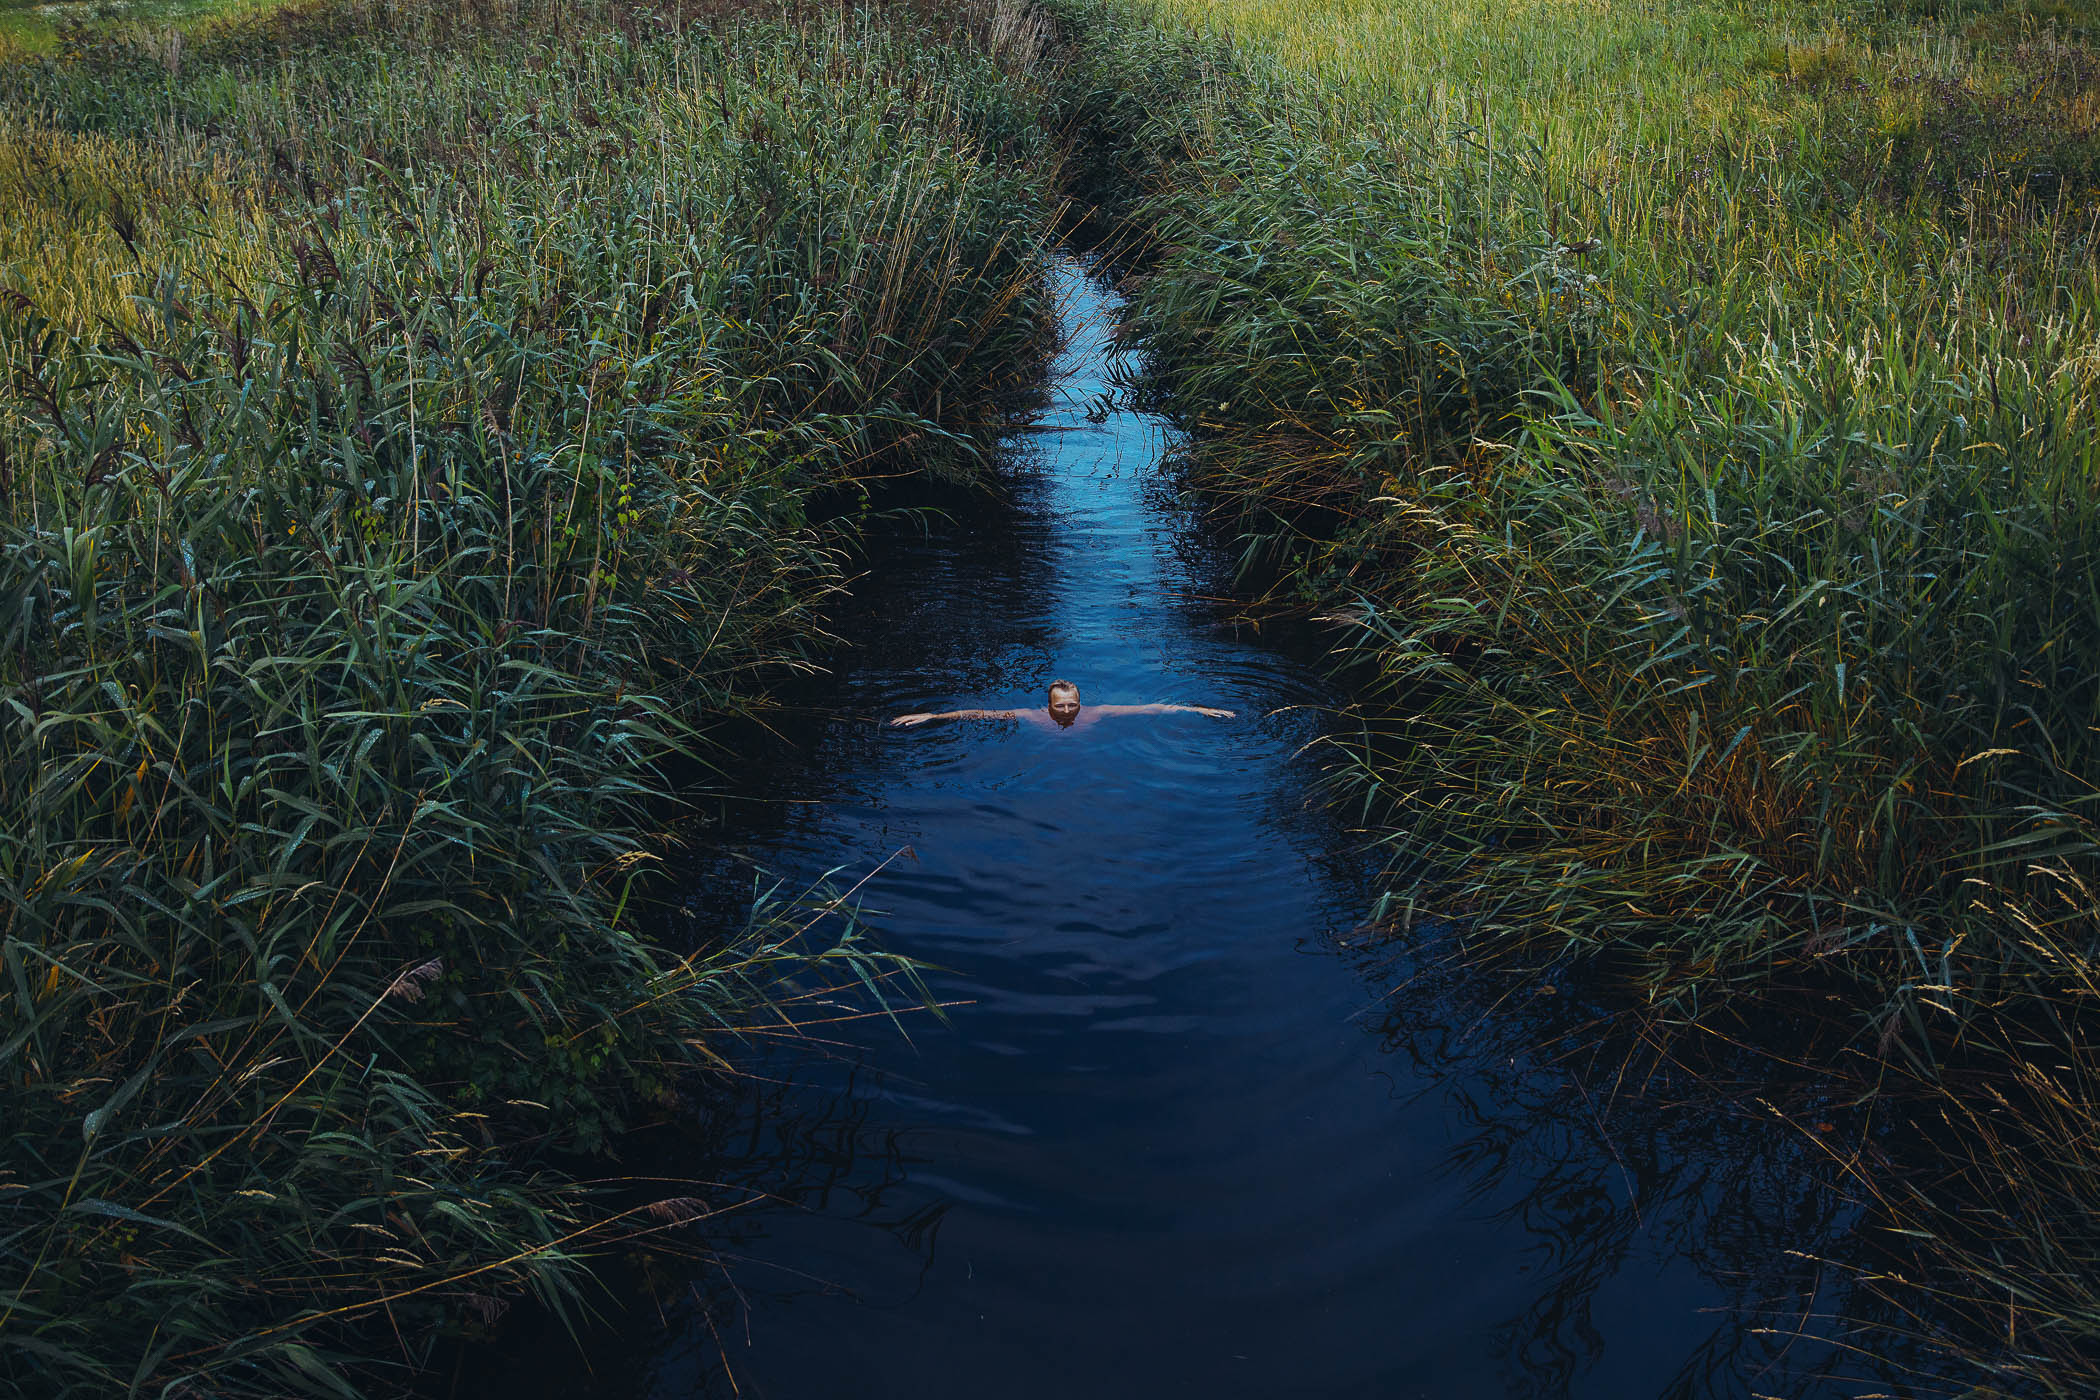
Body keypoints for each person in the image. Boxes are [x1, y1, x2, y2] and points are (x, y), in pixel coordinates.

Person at [890, 680, 1234, 730]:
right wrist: (933, 715)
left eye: (1072, 706)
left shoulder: (1098, 713)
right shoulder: (1031, 715)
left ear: (1081, 703)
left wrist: (1197, 709)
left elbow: (1153, 709)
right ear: (1049, 705)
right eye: (1061, 706)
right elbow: (980, 713)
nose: (1067, 711)